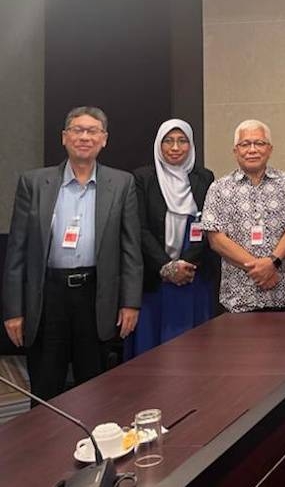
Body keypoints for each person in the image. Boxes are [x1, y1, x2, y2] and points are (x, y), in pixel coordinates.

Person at [3, 106, 142, 401]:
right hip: (47, 296)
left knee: (95, 388)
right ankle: (41, 446)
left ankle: (91, 446)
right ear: (64, 138)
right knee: (45, 387)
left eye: (92, 131)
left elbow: (131, 250)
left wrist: (130, 303)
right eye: (77, 130)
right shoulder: (34, 183)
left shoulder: (121, 184)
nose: (84, 137)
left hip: (95, 295)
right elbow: (16, 251)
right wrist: (13, 310)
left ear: (104, 139)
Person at [129, 119, 217, 358]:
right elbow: (140, 228)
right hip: (155, 277)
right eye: (168, 141)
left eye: (182, 141)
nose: (175, 147)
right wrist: (166, 266)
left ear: (191, 145)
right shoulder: (142, 178)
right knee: (154, 352)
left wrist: (185, 264)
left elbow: (207, 223)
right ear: (159, 145)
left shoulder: (204, 177)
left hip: (193, 275)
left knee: (194, 351)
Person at [202, 120, 285, 312]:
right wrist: (259, 269)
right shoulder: (219, 188)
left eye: (259, 143)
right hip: (238, 298)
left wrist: (273, 262)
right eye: (245, 144)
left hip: (282, 293)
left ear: (270, 149)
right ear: (235, 151)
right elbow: (215, 238)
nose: (252, 149)